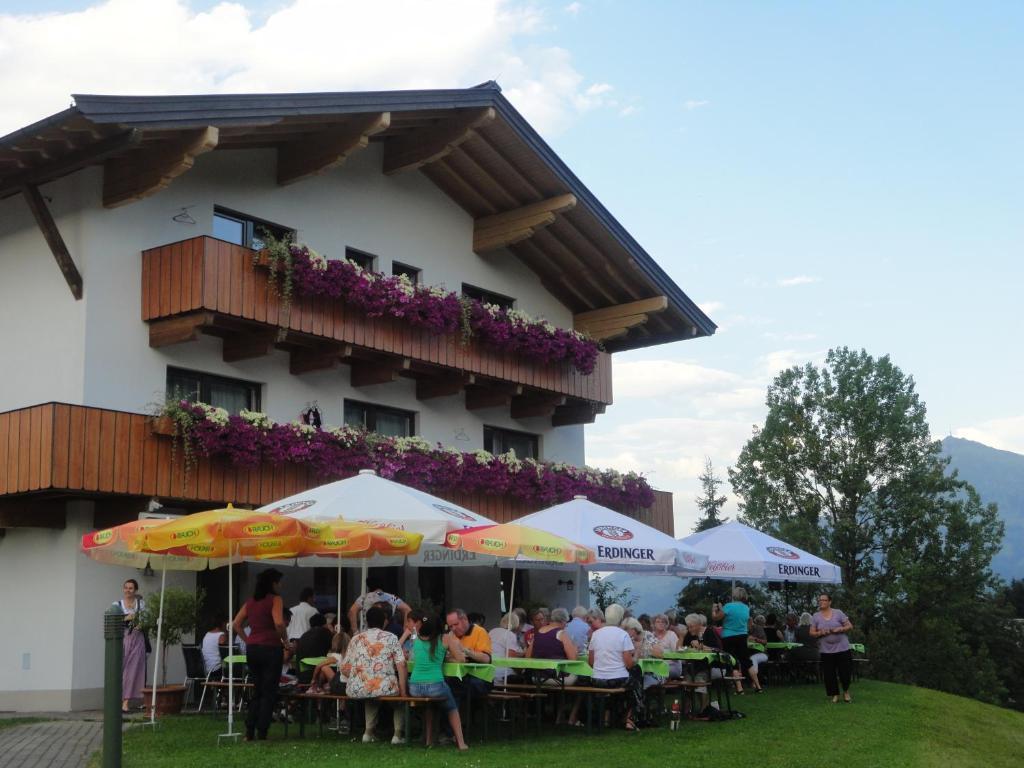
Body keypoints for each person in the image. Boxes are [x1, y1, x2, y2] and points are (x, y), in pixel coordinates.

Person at [232, 568, 289, 741]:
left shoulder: (250, 602)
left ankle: (249, 730)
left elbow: (236, 624)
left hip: (253, 649)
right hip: (271, 649)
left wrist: (248, 639)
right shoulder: (275, 599)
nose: (281, 585)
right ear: (273, 583)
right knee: (268, 691)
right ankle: (262, 730)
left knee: (257, 690)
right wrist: (284, 640)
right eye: (279, 582)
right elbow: (279, 623)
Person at [341, 606, 408, 743]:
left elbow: (344, 668)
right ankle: (397, 735)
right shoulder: (391, 637)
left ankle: (368, 733)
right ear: (384, 621)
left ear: (366, 621)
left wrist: (359, 678)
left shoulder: (356, 638)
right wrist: (402, 688)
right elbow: (401, 664)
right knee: (399, 701)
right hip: (384, 687)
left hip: (357, 688)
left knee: (371, 695)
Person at [408, 616, 469, 750]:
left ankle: (429, 741)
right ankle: (461, 742)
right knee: (452, 708)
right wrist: (447, 658)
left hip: (414, 687)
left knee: (430, 706)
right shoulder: (445, 638)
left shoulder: (416, 639)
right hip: (435, 685)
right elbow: (461, 659)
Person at [587, 604, 639, 730]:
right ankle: (629, 719)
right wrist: (636, 655)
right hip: (617, 680)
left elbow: (591, 662)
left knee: (613, 689)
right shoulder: (623, 635)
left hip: (597, 680)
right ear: (621, 618)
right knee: (637, 678)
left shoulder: (596, 634)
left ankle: (607, 718)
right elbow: (629, 664)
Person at [713, 587, 759, 694]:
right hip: (742, 635)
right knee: (746, 661)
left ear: (734, 595)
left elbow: (716, 618)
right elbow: (748, 623)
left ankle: (739, 688)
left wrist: (715, 610)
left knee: (732, 661)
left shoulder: (728, 606)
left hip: (729, 636)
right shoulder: (746, 608)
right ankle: (758, 685)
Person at [811, 593, 854, 703]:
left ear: (830, 602)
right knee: (829, 674)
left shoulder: (838, 613)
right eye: (820, 600)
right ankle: (834, 695)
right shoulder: (816, 616)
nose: (821, 602)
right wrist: (820, 632)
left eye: (824, 600)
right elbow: (811, 632)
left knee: (845, 672)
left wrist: (840, 629)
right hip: (826, 650)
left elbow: (850, 626)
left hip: (842, 648)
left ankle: (846, 692)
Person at [445, 608, 493, 703]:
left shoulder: (480, 632)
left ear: (465, 619)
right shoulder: (450, 635)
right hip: (458, 676)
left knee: (452, 686)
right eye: (450, 627)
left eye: (456, 624)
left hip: (480, 678)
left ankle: (454, 715)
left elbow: (487, 658)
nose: (453, 629)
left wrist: (466, 651)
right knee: (443, 683)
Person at [117, 579, 147, 713]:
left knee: (132, 670)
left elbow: (148, 620)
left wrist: (143, 624)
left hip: (137, 638)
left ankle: (126, 702)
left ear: (135, 590)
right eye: (126, 588)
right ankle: (118, 699)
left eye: (131, 588)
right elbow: (111, 620)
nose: (128, 590)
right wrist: (125, 618)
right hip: (122, 639)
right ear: (123, 589)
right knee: (121, 670)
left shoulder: (141, 604)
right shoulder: (117, 605)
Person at [294, 614, 333, 682]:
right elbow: (335, 649)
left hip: (300, 676)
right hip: (314, 676)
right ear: (324, 624)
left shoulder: (304, 635)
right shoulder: (325, 632)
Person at [488, 612, 522, 684]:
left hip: (489, 671)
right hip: (503, 673)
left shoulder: (492, 631)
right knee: (522, 677)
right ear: (516, 624)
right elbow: (511, 659)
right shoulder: (510, 634)